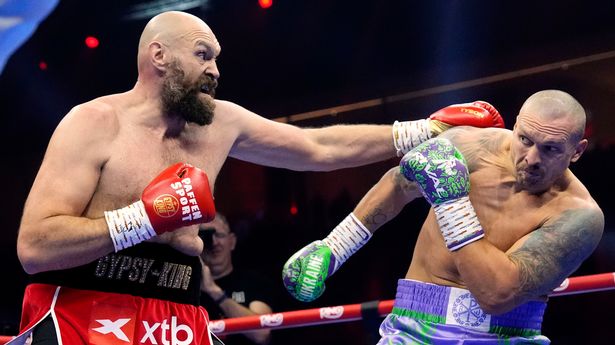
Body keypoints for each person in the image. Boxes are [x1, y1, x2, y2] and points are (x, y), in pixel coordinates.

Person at [12, 9, 504, 345]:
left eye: (217, 60)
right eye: (203, 55)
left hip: (179, 315)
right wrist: (145, 218)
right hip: (84, 308)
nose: (215, 71)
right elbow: (34, 248)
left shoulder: (219, 122)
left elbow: (319, 146)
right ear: (158, 56)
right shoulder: (94, 122)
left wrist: (425, 129)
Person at [283, 89, 604, 344]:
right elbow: (398, 185)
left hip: (507, 336)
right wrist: (334, 248)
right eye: (525, 140)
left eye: (550, 149)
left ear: (577, 151)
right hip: (413, 327)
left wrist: (452, 201)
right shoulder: (472, 145)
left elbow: (497, 294)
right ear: (516, 125)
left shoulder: (579, 215)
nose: (532, 158)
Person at [198, 213, 274, 345]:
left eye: (219, 235)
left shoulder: (254, 282)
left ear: (232, 241)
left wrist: (214, 291)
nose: (214, 242)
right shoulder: (186, 286)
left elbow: (262, 334)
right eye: (207, 235)